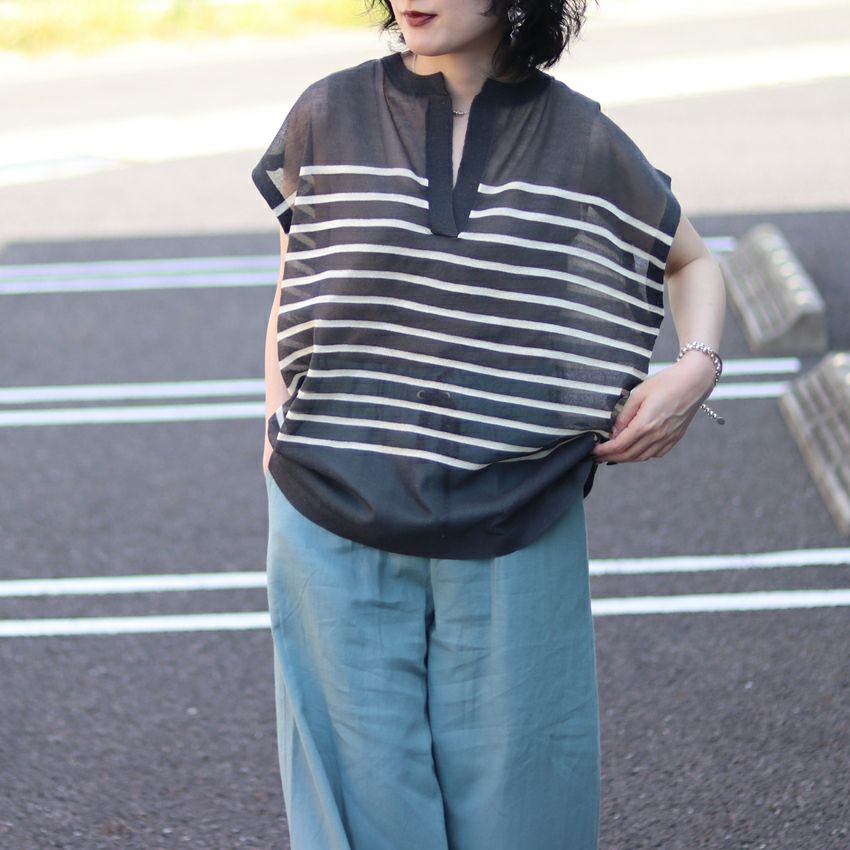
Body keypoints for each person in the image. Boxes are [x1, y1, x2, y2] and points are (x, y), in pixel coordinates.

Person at [251, 1, 726, 848]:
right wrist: (273, 427)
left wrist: (695, 370)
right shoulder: (329, 111)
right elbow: (298, 278)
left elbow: (691, 262)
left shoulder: (580, 137)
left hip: (518, 510)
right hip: (330, 510)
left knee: (525, 804)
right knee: (358, 812)